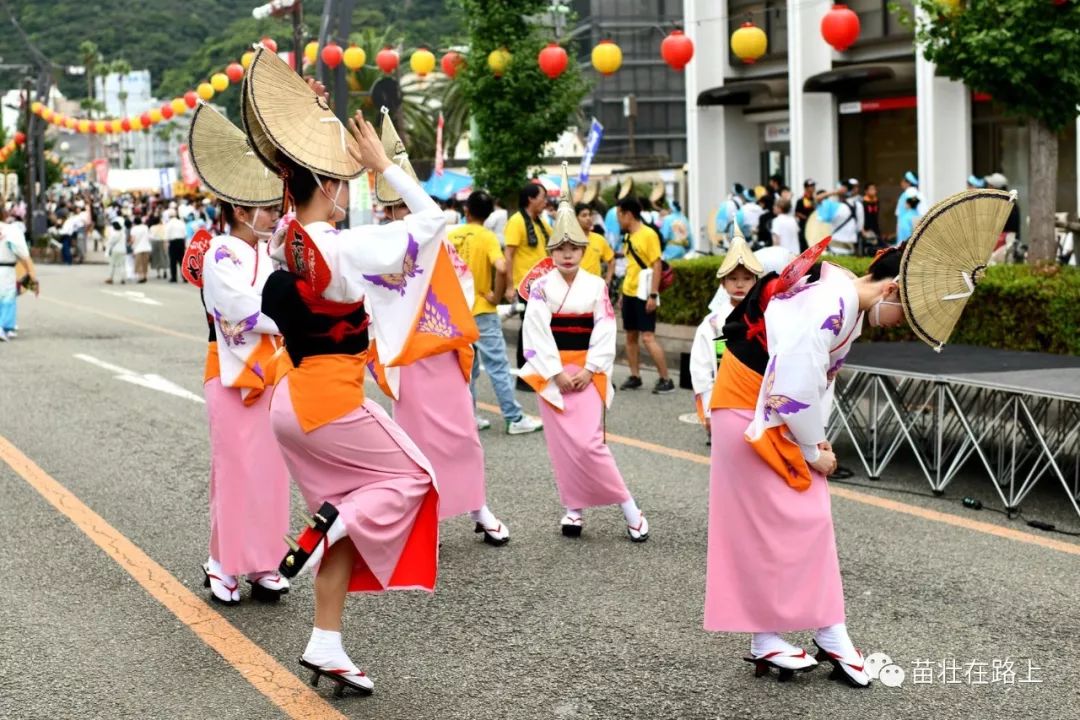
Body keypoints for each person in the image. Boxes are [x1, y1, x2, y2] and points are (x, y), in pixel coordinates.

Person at [245, 48, 462, 695]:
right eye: (343, 180)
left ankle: (326, 643)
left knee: (347, 519)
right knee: (415, 478)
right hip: (329, 405)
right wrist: (385, 166)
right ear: (332, 188)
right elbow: (432, 221)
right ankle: (335, 516)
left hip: (292, 404)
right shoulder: (341, 246)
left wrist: (317, 132)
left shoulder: (289, 241)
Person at [705, 242, 931, 688]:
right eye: (907, 309)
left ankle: (816, 632)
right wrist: (813, 451)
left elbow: (809, 378)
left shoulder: (842, 289)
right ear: (893, 288)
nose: (903, 321)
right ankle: (788, 636)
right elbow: (798, 379)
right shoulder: (835, 301)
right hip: (751, 410)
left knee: (798, 520)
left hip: (762, 407)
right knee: (781, 522)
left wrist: (814, 437)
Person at [369, 110, 511, 546]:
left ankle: (477, 506)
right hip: (407, 356)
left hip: (443, 349)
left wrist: (438, 315)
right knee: (412, 442)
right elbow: (370, 302)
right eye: (391, 206)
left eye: (402, 203)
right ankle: (418, 517)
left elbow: (462, 284)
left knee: (462, 434)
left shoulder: (438, 240)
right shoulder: (377, 246)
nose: (397, 212)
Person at [186, 103, 292, 606]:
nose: (273, 215)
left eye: (275, 207)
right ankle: (222, 562)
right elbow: (242, 310)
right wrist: (292, 318)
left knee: (270, 467)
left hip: (271, 370)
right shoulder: (219, 252)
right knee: (235, 466)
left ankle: (264, 560)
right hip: (230, 370)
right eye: (267, 208)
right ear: (239, 210)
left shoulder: (268, 252)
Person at [520, 165, 649, 542]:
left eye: (573, 247)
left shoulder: (595, 286)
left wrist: (591, 368)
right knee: (563, 446)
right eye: (559, 248)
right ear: (551, 251)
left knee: (591, 443)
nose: (567, 254)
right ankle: (573, 509)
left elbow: (606, 327)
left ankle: (630, 508)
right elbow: (535, 331)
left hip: (588, 371)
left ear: (583, 248)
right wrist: (556, 370)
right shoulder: (541, 288)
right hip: (555, 372)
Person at [451, 190, 545, 435]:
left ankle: (468, 417)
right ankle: (514, 418)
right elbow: (502, 266)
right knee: (498, 367)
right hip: (482, 310)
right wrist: (496, 293)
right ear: (489, 214)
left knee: (466, 370)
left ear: (466, 211)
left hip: (456, 312)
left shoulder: (451, 236)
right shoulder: (487, 237)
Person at [690, 233, 763, 443]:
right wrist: (708, 409)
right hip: (724, 402)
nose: (740, 284)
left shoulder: (767, 320)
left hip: (759, 403)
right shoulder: (712, 325)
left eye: (747, 278)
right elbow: (701, 369)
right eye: (733, 278)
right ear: (723, 283)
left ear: (756, 281)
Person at [616, 196, 674, 394]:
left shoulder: (649, 235)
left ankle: (666, 379)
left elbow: (656, 264)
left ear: (629, 214)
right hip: (629, 292)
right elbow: (630, 267)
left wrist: (653, 295)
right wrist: (623, 293)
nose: (618, 219)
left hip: (645, 294)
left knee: (648, 337)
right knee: (630, 336)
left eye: (619, 215)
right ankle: (635, 376)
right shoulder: (627, 237)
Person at [504, 183, 551, 390]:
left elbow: (556, 240)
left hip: (542, 285)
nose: (545, 202)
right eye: (543, 197)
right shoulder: (516, 221)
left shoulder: (539, 222)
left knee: (539, 329)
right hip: (525, 286)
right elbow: (509, 255)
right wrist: (509, 286)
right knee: (529, 329)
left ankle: (537, 372)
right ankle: (524, 376)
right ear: (531, 199)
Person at [0, 208, 38, 341]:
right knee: (7, 298)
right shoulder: (11, 230)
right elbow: (22, 252)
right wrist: (30, 272)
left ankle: (6, 327)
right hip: (6, 268)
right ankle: (4, 327)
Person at [575, 202, 614, 283]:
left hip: (595, 289)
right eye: (584, 215)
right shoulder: (569, 240)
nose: (588, 218)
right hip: (574, 288)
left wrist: (608, 280)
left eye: (590, 215)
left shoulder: (599, 239)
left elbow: (612, 261)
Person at [164, 209, 187, 282]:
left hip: (173, 242)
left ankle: (174, 277)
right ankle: (184, 277)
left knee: (173, 261)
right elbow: (185, 233)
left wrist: (166, 245)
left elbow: (166, 235)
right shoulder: (181, 222)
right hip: (181, 241)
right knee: (182, 260)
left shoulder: (169, 223)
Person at [794, 179, 817, 251]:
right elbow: (796, 213)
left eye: (814, 186)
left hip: (814, 227)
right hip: (804, 227)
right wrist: (807, 218)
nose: (813, 188)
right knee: (804, 248)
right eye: (811, 186)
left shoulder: (815, 199)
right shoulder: (801, 200)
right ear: (806, 188)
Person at [105, 219, 127, 284]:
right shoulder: (123, 233)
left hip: (115, 250)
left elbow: (110, 242)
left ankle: (110, 278)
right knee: (122, 265)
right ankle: (123, 278)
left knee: (112, 265)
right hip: (123, 250)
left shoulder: (114, 234)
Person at [130, 216, 151, 283]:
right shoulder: (145, 227)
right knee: (145, 263)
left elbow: (133, 239)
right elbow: (148, 236)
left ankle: (141, 277)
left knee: (139, 263)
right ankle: (145, 276)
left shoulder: (134, 229)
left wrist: (131, 244)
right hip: (146, 247)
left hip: (138, 248)